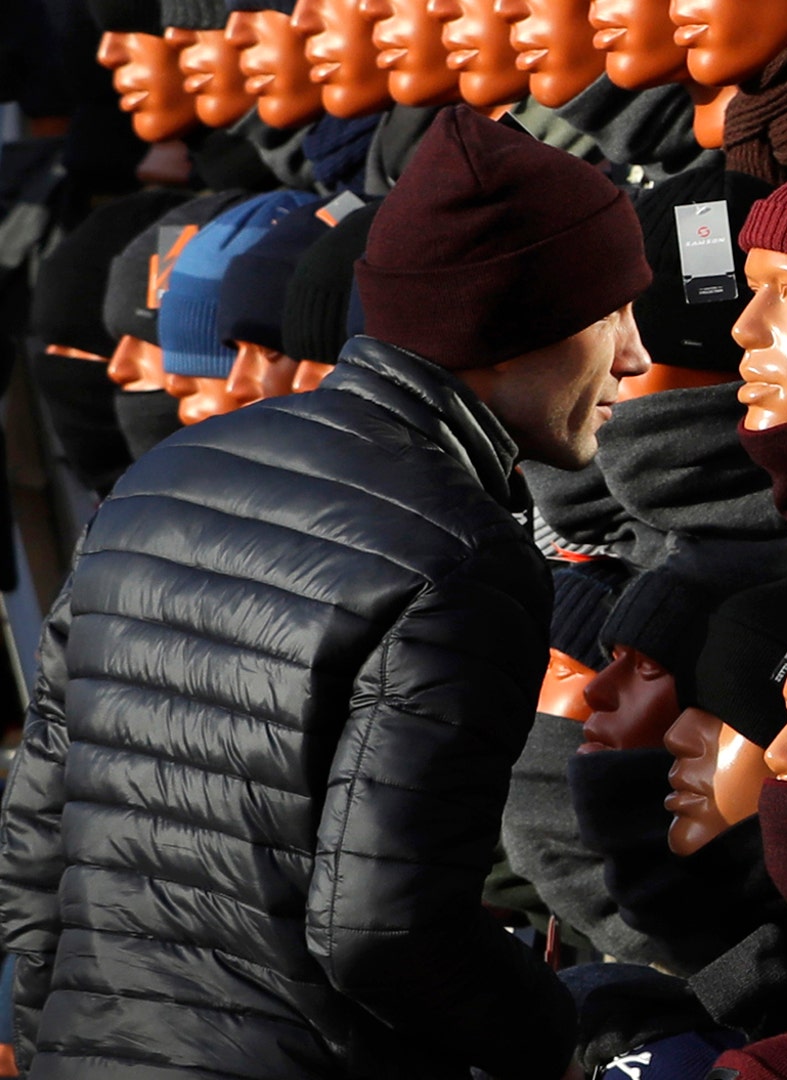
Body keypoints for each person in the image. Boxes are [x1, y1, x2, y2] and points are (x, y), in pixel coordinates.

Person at [0, 107, 649, 1079]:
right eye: (609, 314)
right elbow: (384, 928)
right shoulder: (456, 553)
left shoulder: (163, 478)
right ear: (507, 323)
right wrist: (553, 1041)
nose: (633, 358)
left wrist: (61, 1039)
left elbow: (39, 833)